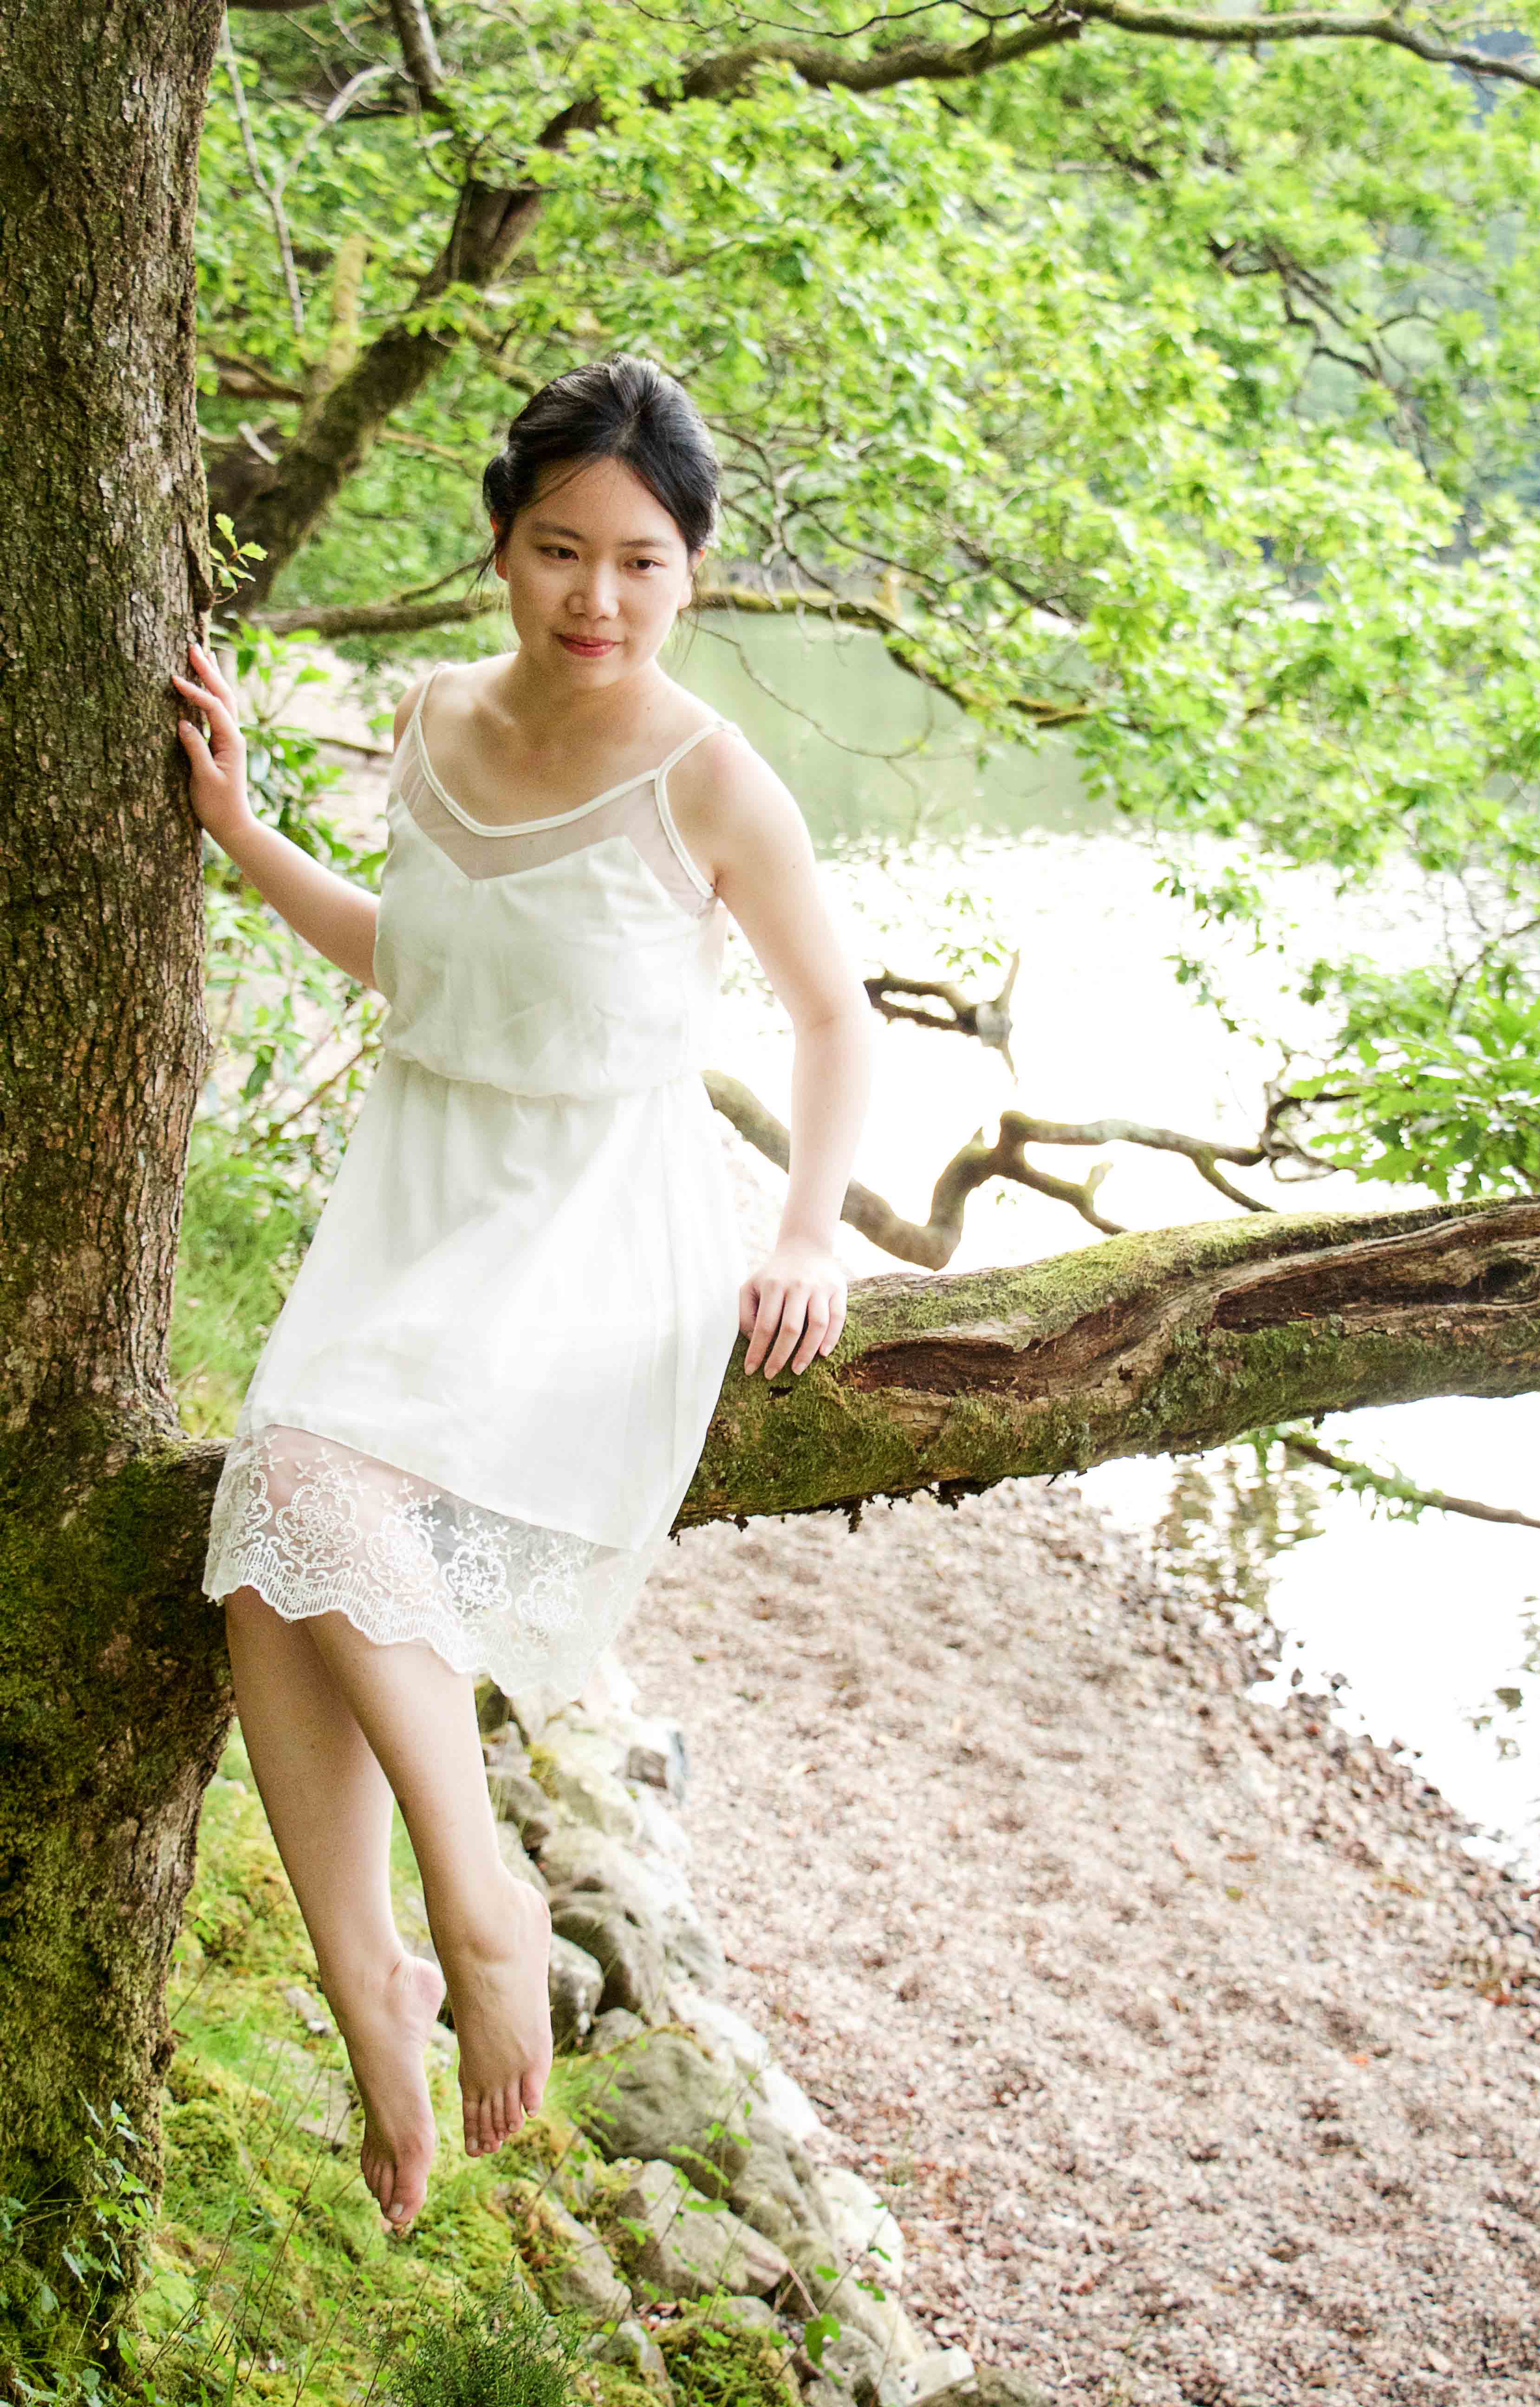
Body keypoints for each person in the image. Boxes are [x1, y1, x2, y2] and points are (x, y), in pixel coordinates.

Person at [171, 354, 876, 2237]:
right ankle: (374, 1983)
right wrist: (243, 837)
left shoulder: (710, 780)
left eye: (642, 562)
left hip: (597, 1228)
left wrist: (809, 1232)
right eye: (561, 549)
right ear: (499, 544)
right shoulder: (430, 721)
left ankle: (478, 1906)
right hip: (417, 1213)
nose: (597, 598)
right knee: (265, 1540)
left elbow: (834, 1017)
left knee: (296, 1480)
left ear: (693, 572)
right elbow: (421, 963)